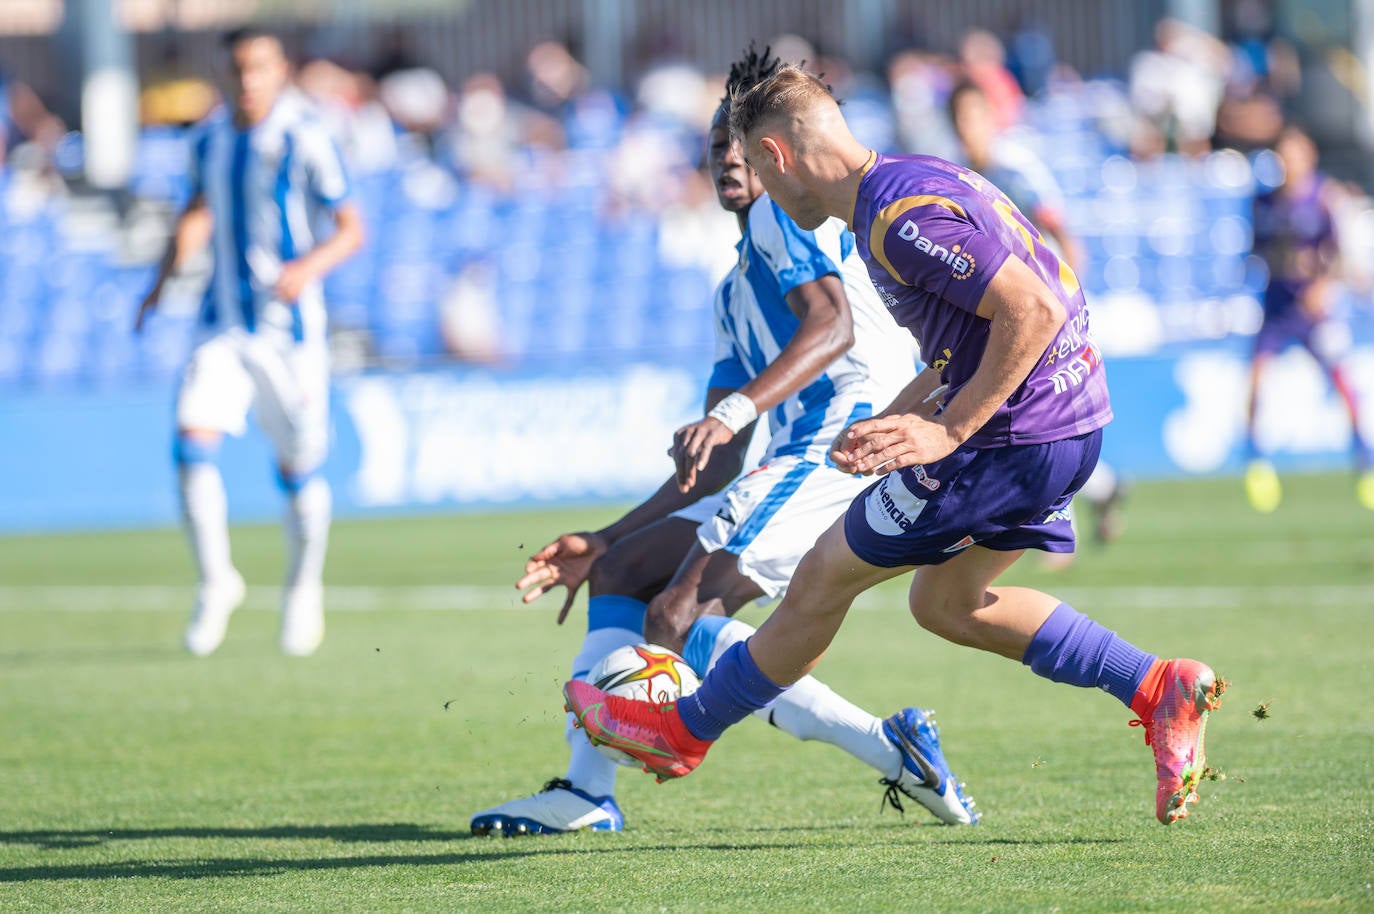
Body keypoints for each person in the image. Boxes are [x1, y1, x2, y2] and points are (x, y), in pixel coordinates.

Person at [565, 63, 1225, 827]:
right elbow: (974, 333)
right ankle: (1156, 686)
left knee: (819, 580)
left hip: (1010, 438)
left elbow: (1035, 310)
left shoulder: (894, 219)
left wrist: (945, 430)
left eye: (760, 171)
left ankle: (683, 732)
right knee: (946, 603)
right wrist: (904, 409)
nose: (767, 197)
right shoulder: (916, 180)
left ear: (777, 158)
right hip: (1070, 425)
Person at [472, 48, 977, 838]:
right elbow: (720, 457)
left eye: (743, 145)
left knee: (680, 611)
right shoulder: (735, 289)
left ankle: (884, 749)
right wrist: (605, 535)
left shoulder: (784, 216)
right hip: (808, 452)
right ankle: (586, 790)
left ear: (773, 153)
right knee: (630, 570)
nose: (729, 159)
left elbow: (832, 324)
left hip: (846, 442)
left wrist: (739, 409)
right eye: (715, 148)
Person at [136, 27, 364, 656]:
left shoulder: (303, 135)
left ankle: (302, 590)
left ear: (280, 70)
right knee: (190, 440)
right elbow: (197, 208)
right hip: (224, 326)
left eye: (258, 67)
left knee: (296, 470)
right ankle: (217, 583)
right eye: (237, 68)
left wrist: (306, 268)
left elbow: (350, 228)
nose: (247, 80)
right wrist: (159, 282)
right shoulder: (207, 136)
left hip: (290, 336)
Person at [947, 79, 1125, 550]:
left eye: (973, 118)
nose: (967, 129)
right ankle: (1102, 490)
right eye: (959, 121)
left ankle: (1058, 526)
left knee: (1034, 417)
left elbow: (1059, 232)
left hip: (1040, 312)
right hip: (1003, 313)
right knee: (1022, 415)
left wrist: (1063, 301)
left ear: (990, 118)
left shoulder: (1013, 170)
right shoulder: (963, 173)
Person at [1243, 125, 1372, 512]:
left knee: (1342, 382)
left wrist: (1324, 283)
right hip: (1278, 307)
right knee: (1256, 379)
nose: (1290, 161)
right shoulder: (1264, 203)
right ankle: (1256, 464)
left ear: (1309, 156)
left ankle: (1365, 462)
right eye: (1284, 154)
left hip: (1315, 312)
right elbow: (1257, 252)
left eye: (1296, 153)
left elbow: (1340, 254)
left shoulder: (1324, 199)